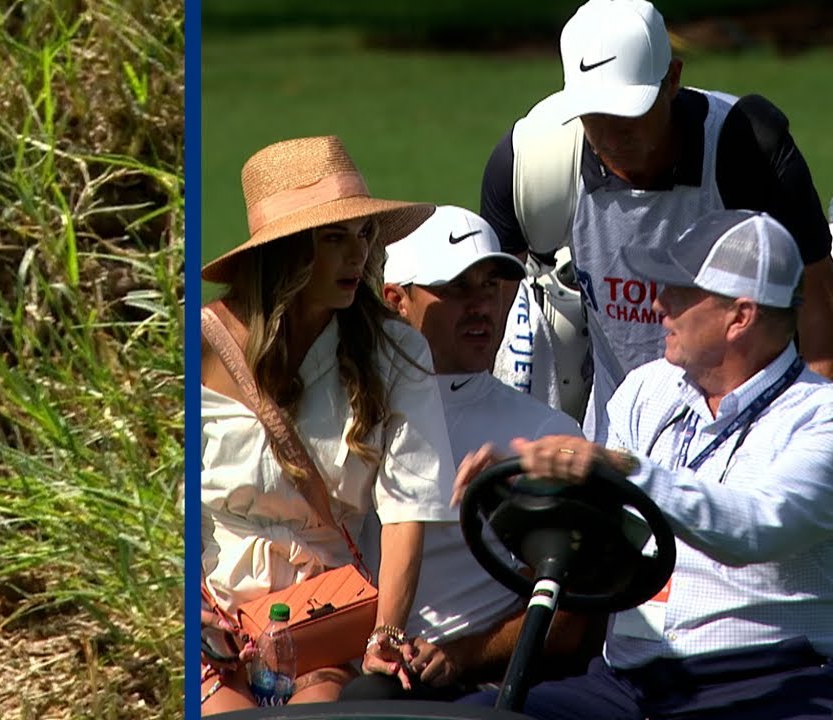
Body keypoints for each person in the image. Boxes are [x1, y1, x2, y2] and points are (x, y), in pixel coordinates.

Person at [453, 209, 833, 720]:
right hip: (626, 682)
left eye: (679, 292)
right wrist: (527, 491)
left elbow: (754, 526)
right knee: (470, 717)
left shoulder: (821, 417)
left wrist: (618, 467)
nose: (658, 305)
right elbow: (605, 535)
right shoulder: (645, 390)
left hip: (772, 680)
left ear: (739, 317)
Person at [480, 0, 833, 443]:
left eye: (628, 114)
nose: (610, 135)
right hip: (614, 440)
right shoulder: (531, 161)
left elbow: (819, 316)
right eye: (593, 114)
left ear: (673, 80)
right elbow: (480, 318)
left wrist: (816, 444)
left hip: (750, 439)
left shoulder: (748, 149)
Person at [199, 136, 458, 713]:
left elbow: (406, 514)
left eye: (364, 235)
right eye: (334, 238)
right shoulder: (199, 342)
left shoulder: (394, 350)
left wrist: (383, 636)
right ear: (287, 249)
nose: (357, 255)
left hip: (324, 615)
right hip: (209, 612)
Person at [343, 206, 594, 702]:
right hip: (337, 665)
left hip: (466, 690)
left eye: (492, 287)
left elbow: (569, 619)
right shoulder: (340, 404)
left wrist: (460, 655)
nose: (482, 306)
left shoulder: (547, 435)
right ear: (396, 301)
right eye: (457, 288)